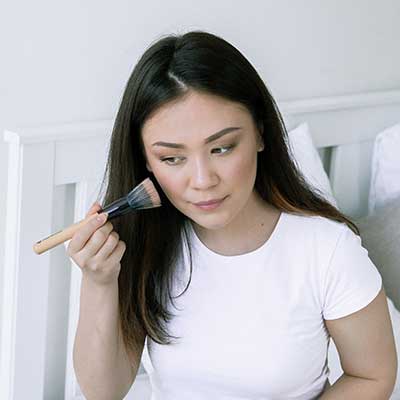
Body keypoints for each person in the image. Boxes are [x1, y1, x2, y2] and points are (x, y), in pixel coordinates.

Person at [68, 30, 397, 400]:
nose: (203, 180)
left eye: (222, 148)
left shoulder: (327, 248)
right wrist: (98, 282)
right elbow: (102, 392)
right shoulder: (145, 246)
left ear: (259, 131)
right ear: (146, 160)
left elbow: (372, 376)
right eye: (172, 158)